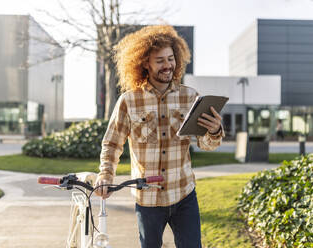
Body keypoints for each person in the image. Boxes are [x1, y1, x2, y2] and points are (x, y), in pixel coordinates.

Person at [94, 25, 224, 248]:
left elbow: (206, 144)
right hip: (148, 199)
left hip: (184, 195)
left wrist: (213, 131)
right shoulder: (129, 100)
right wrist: (106, 174)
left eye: (171, 58)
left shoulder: (190, 97)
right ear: (145, 62)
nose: (168, 66)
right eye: (160, 60)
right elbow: (113, 142)